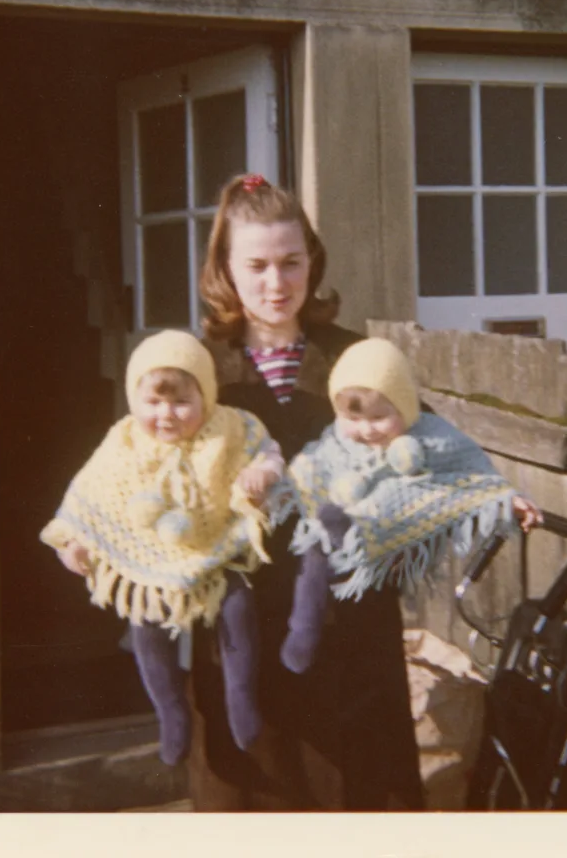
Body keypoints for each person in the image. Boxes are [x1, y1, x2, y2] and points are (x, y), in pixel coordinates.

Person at [190, 172, 424, 811]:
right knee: (257, 796)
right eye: (257, 265)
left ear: (312, 263)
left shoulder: (361, 359)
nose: (276, 283)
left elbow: (416, 465)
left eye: (291, 262)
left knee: (359, 796)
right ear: (226, 271)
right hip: (241, 623)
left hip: (348, 620)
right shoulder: (198, 374)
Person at [40, 330, 284, 766]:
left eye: (181, 402)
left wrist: (262, 472)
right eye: (153, 403)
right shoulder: (125, 441)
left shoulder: (229, 428)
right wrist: (71, 541)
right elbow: (89, 493)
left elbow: (268, 452)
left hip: (213, 550)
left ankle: (241, 700)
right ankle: (170, 711)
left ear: (205, 396)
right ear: (136, 402)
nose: (166, 415)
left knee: (237, 607)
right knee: (145, 623)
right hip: (148, 559)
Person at [275, 336, 543, 674]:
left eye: (379, 417)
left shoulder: (432, 435)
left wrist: (506, 500)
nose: (367, 430)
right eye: (354, 419)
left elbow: (474, 475)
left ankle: (345, 553)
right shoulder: (337, 439)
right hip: (335, 540)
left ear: (404, 406)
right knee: (316, 546)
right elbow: (309, 468)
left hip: (388, 546)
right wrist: (280, 488)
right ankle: (303, 629)